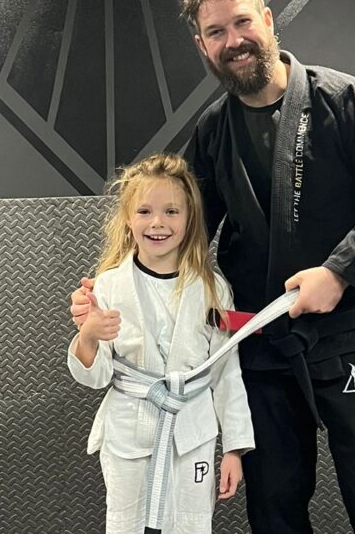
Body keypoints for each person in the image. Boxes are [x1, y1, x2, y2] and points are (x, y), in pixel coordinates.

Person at [73, 0, 355, 534]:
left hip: (350, 334)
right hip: (260, 345)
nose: (233, 40)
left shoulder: (342, 99)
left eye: (242, 22)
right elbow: (177, 233)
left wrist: (339, 273)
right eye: (216, 32)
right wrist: (114, 291)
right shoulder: (214, 131)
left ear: (267, 20)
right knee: (273, 510)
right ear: (203, 46)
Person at [67, 152, 254, 534]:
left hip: (192, 429)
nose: (157, 223)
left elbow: (227, 374)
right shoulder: (109, 286)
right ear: (127, 219)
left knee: (191, 525)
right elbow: (96, 376)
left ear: (190, 218)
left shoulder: (213, 289)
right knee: (126, 524)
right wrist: (88, 335)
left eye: (171, 211)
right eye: (144, 211)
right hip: (129, 430)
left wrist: (235, 449)